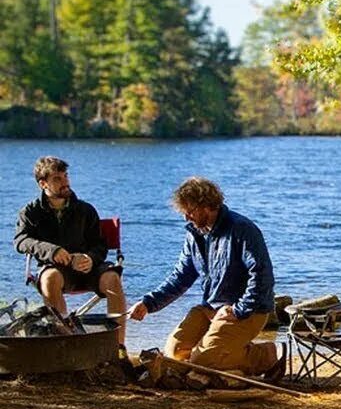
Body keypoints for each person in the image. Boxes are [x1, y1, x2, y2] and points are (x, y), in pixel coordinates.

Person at [128, 177, 284, 380]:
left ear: (207, 206)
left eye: (190, 211)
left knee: (203, 361)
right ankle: (226, 351)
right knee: (174, 355)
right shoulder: (194, 234)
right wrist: (148, 303)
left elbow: (262, 276)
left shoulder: (242, 229)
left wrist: (238, 310)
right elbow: (180, 278)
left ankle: (268, 355)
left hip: (248, 311)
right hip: (210, 307)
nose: (186, 217)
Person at [14, 156, 127, 344]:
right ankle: (66, 343)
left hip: (88, 268)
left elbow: (100, 245)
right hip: (56, 268)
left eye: (66, 176)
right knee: (50, 279)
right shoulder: (30, 212)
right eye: (57, 179)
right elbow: (21, 240)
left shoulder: (85, 210)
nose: (65, 182)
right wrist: (52, 251)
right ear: (43, 184)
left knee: (113, 278)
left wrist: (90, 258)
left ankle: (118, 346)